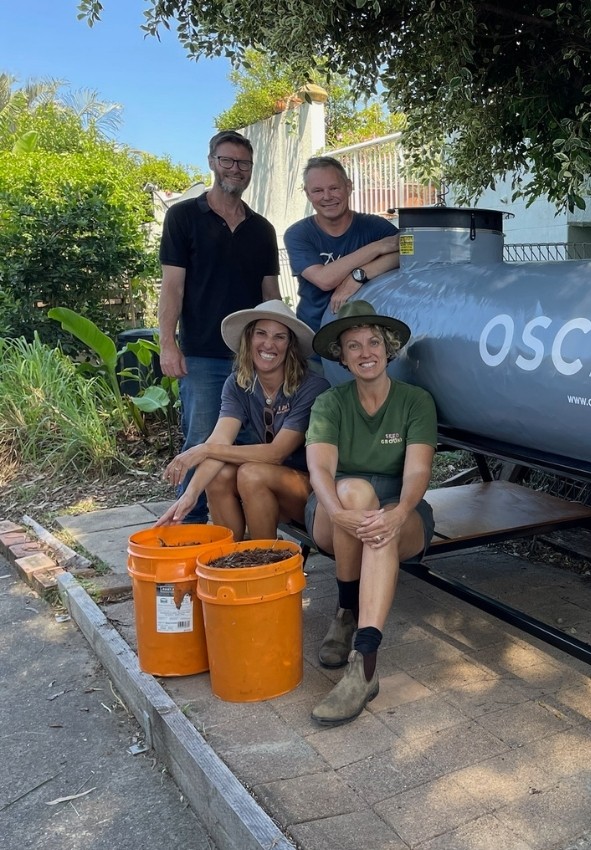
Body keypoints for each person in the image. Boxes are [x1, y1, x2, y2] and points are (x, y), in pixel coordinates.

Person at [304, 299, 437, 725]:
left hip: (401, 511)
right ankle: (346, 611)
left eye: (374, 342)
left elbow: (418, 471)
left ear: (388, 348)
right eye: (354, 345)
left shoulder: (416, 401)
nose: (366, 352)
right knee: (358, 495)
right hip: (334, 512)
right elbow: (320, 467)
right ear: (341, 357)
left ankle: (363, 662)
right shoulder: (331, 403)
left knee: (382, 524)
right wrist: (336, 510)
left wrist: (399, 513)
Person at [159, 130, 281, 523]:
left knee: (249, 444)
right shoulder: (183, 217)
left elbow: (270, 294)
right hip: (203, 355)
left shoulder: (262, 229)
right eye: (227, 160)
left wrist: (278, 347)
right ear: (212, 162)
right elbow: (172, 288)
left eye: (243, 163)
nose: (235, 169)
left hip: (254, 358)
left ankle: (240, 535)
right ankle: (188, 531)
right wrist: (168, 344)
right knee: (201, 443)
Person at [155, 301, 330, 541]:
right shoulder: (238, 383)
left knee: (251, 473)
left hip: (311, 495)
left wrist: (203, 449)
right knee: (219, 474)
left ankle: (263, 563)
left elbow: (276, 454)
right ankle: (231, 556)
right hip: (263, 489)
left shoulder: (312, 386)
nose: (269, 344)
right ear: (248, 339)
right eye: (261, 334)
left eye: (279, 337)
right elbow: (221, 439)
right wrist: (190, 495)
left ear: (290, 346)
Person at [283, 156, 401, 337]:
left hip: (366, 340)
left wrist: (360, 275)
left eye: (334, 188)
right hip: (314, 341)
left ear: (348, 187)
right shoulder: (298, 234)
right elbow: (324, 280)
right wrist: (377, 247)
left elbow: (410, 251)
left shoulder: (374, 226)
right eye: (317, 190)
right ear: (308, 195)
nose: (327, 197)